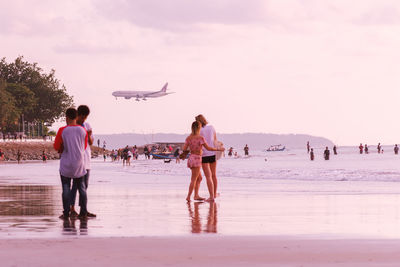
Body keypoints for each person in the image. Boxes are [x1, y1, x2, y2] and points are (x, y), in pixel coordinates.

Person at [53, 108, 88, 219]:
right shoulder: (83, 130)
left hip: (66, 164)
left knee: (66, 188)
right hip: (79, 163)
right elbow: (85, 146)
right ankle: (83, 212)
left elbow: (57, 146)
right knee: (82, 188)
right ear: (77, 117)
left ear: (66, 117)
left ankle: (66, 212)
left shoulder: (62, 130)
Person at [183, 121, 223, 202]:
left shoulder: (188, 138)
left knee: (199, 178)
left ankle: (196, 195)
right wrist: (218, 149)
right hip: (197, 159)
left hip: (191, 158)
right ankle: (188, 196)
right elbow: (208, 148)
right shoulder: (200, 138)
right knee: (193, 179)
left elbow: (184, 149)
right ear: (199, 128)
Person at [69, 105, 96, 218]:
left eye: (85, 117)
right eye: (82, 117)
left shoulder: (87, 125)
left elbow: (90, 142)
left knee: (85, 186)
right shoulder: (72, 126)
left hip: (86, 160)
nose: (84, 119)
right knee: (75, 186)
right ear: (78, 115)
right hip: (77, 161)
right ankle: (72, 208)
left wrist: (89, 136)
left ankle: (83, 209)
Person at [196, 114, 223, 200]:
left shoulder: (199, 130)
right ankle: (214, 194)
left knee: (208, 176)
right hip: (213, 153)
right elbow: (215, 139)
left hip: (204, 154)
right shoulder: (211, 127)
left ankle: (211, 196)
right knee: (214, 175)